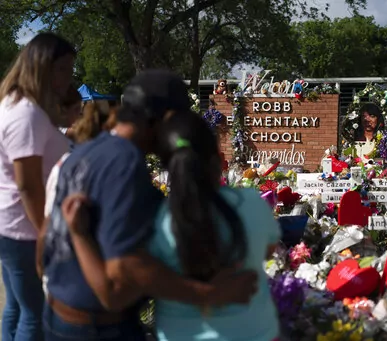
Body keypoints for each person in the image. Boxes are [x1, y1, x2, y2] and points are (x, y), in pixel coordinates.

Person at [41, 70, 259, 341]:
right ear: (164, 118)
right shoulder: (125, 162)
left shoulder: (85, 150)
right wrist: (210, 295)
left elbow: (45, 239)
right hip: (97, 328)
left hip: (58, 314)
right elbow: (123, 273)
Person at [63, 112, 281, 340]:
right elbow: (268, 250)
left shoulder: (160, 219)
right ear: (219, 158)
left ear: (169, 167)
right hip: (256, 332)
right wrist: (212, 291)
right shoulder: (253, 203)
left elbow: (125, 283)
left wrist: (79, 234)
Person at [0, 32, 75, 341]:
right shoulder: (26, 114)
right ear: (42, 67)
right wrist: (45, 231)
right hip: (26, 232)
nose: (69, 77)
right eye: (63, 68)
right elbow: (28, 184)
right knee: (36, 315)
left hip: (13, 227)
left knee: (16, 309)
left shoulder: (14, 103)